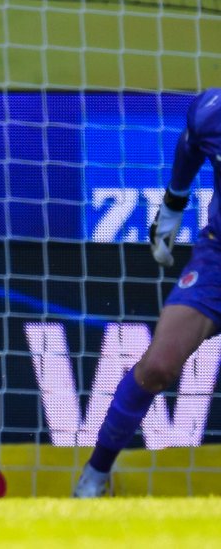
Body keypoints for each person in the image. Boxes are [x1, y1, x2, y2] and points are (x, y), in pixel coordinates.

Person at [73, 88, 221, 498]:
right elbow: (192, 143)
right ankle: (95, 475)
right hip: (217, 262)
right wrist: (173, 205)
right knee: (157, 366)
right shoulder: (211, 112)